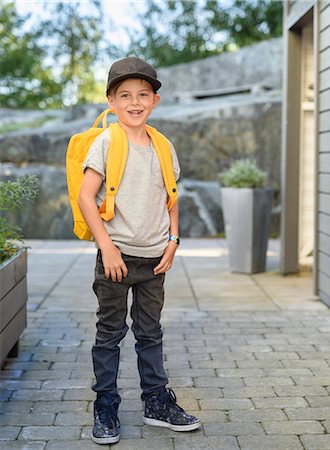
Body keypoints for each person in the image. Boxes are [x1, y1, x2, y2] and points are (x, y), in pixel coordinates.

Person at [78, 56, 201, 445]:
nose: (135, 102)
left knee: (150, 333)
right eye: (125, 95)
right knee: (109, 333)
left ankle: (156, 403)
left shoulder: (163, 145)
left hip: (154, 258)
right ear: (111, 101)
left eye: (143, 94)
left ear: (155, 101)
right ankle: (106, 405)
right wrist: (107, 248)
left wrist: (174, 239)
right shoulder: (106, 141)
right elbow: (85, 197)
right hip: (115, 258)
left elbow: (172, 197)